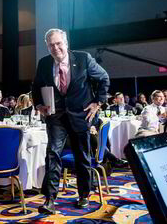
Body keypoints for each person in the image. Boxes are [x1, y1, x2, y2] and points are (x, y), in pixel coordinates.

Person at [32, 28, 110, 214]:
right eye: (51, 45)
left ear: (66, 43)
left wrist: (97, 103)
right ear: (47, 46)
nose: (55, 47)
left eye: (58, 43)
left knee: (82, 156)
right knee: (52, 154)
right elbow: (36, 86)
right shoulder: (43, 63)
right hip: (56, 116)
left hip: (82, 115)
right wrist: (39, 105)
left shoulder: (83, 59)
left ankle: (84, 195)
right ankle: (49, 199)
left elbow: (104, 78)